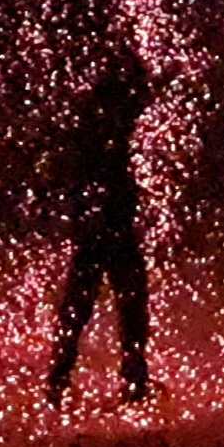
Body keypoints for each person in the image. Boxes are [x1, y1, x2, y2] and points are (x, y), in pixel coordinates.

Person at [46, 38, 151, 407]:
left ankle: (60, 379)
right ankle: (130, 380)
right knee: (126, 300)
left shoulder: (92, 118)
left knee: (86, 302)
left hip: (97, 219)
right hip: (109, 220)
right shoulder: (107, 119)